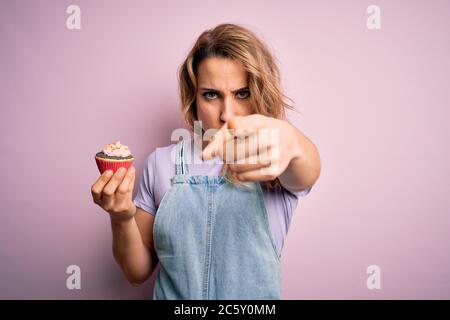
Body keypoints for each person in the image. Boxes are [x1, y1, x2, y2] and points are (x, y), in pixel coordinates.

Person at [91, 23, 321, 300]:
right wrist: (121, 217)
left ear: (261, 93)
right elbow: (136, 272)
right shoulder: (161, 164)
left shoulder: (276, 159)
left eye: (242, 93)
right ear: (194, 96)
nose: (227, 114)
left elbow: (308, 167)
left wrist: (290, 140)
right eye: (211, 95)